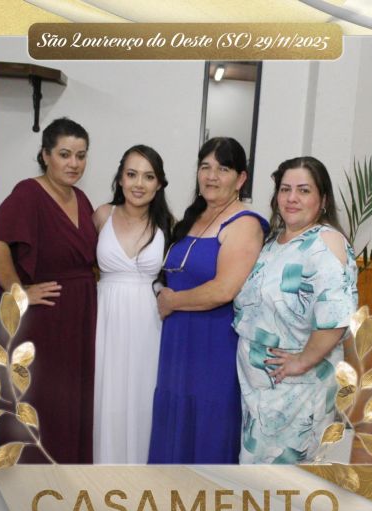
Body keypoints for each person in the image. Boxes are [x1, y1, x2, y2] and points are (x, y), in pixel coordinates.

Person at [148, 137, 269, 464]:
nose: (212, 176)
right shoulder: (193, 218)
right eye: (206, 167)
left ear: (241, 179)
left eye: (223, 169)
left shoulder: (245, 223)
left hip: (213, 347)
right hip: (177, 345)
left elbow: (224, 290)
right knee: (174, 424)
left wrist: (172, 302)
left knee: (207, 429)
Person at [233, 156, 358, 464]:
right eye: (285, 189)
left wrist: (302, 361)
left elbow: (336, 317)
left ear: (323, 200)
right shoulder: (275, 242)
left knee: (286, 481)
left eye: (304, 190)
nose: (292, 198)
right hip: (262, 392)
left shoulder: (325, 242)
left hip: (298, 392)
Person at [0, 117, 97, 463]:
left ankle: (68, 476)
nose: (74, 163)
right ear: (45, 155)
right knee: (44, 400)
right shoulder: (28, 193)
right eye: (65, 154)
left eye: (81, 155)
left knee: (73, 400)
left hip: (80, 315)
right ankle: (34, 480)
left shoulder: (81, 198)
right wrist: (19, 291)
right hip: (46, 319)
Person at [93, 145, 174, 463]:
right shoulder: (102, 215)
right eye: (131, 174)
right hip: (106, 318)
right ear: (120, 179)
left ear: (159, 183)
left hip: (148, 323)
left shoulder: (169, 224)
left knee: (143, 397)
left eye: (148, 176)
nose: (139, 184)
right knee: (106, 396)